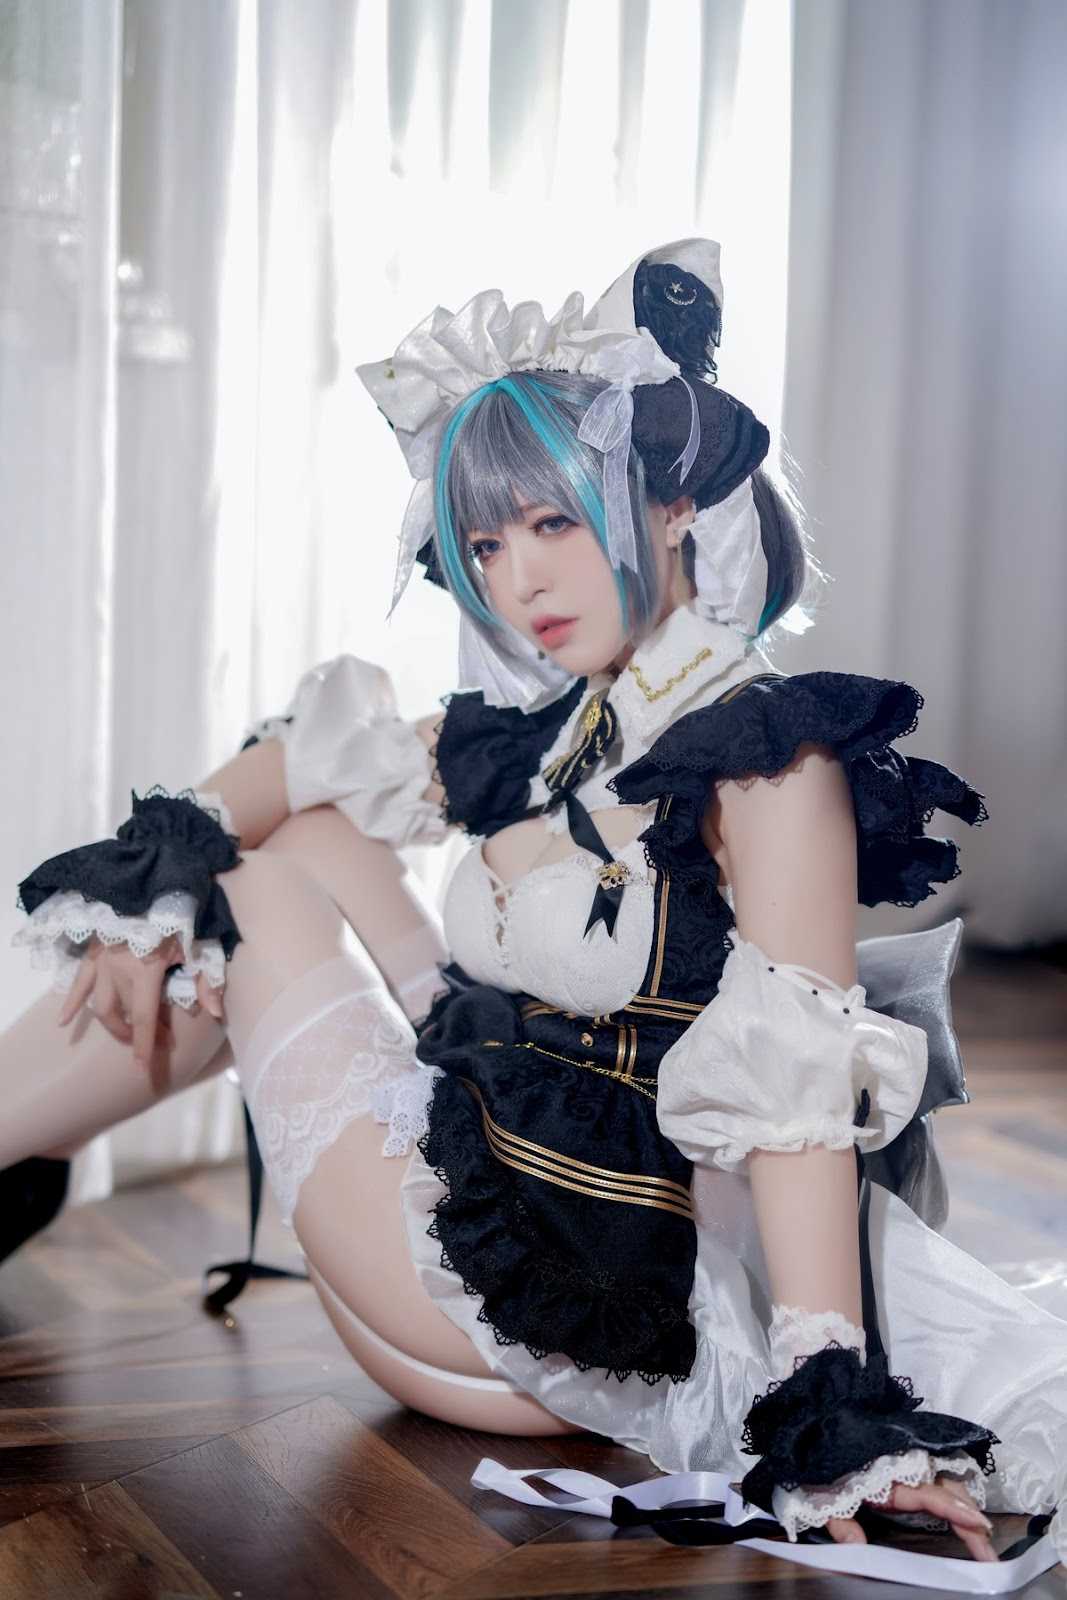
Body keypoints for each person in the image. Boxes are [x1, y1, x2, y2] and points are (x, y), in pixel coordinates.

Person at [6, 240, 1066, 1568]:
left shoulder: (763, 756)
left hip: (555, 1300)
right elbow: (298, 768)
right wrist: (147, 879)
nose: (520, 581)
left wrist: (829, 1408)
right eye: (488, 543)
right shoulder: (561, 728)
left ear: (672, 507)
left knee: (249, 887)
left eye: (555, 523)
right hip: (493, 1243)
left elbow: (800, 1096)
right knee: (275, 844)